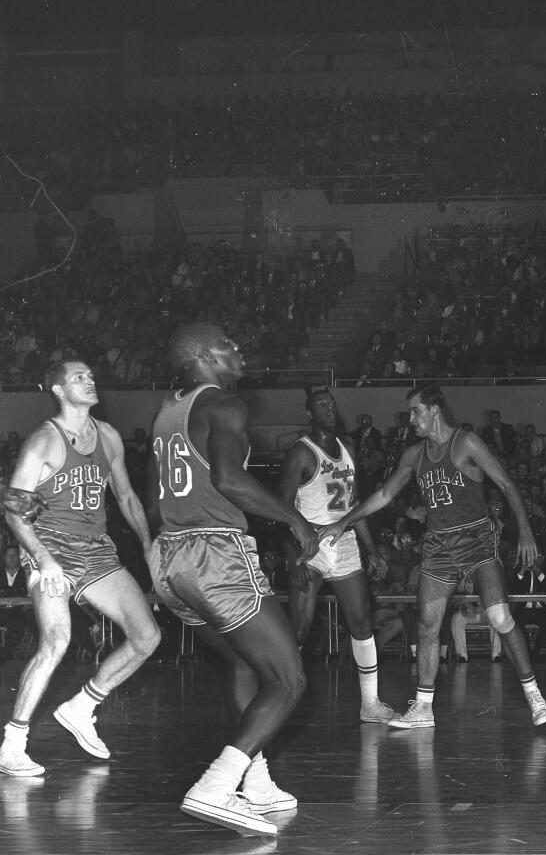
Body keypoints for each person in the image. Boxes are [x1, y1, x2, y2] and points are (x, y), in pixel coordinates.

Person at [146, 323, 319, 836]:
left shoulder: (166, 412)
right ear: (204, 356)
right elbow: (227, 479)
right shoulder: (223, 403)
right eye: (228, 344)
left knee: (247, 664)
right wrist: (294, 519)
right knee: (289, 679)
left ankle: (255, 782)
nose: (238, 348)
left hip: (167, 559)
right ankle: (215, 786)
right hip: (213, 553)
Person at [320, 385, 546, 730]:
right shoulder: (415, 455)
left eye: (415, 411)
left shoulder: (466, 442)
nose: (410, 418)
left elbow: (506, 485)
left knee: (500, 616)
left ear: (434, 411)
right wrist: (343, 521)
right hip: (438, 546)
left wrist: (526, 532)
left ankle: (533, 693)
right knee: (427, 625)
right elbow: (384, 494)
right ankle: (423, 707)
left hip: (476, 539)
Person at [0, 361, 161, 778]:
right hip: (51, 547)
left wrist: (147, 545)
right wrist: (45, 558)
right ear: (57, 388)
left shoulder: (107, 436)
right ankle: (12, 744)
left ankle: (82, 706)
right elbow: (15, 511)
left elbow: (125, 497)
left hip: (97, 550)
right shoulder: (42, 441)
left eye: (90, 376)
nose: (90, 381)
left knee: (147, 636)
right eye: (78, 377)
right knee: (56, 641)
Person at [277, 387, 394, 724]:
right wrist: (290, 557)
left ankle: (370, 704)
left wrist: (371, 549)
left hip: (342, 541)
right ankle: (278, 699)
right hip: (308, 545)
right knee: (299, 628)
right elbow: (280, 510)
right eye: (321, 405)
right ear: (310, 414)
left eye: (332, 403)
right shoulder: (301, 453)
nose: (329, 408)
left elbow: (356, 507)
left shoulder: (348, 449)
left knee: (361, 620)